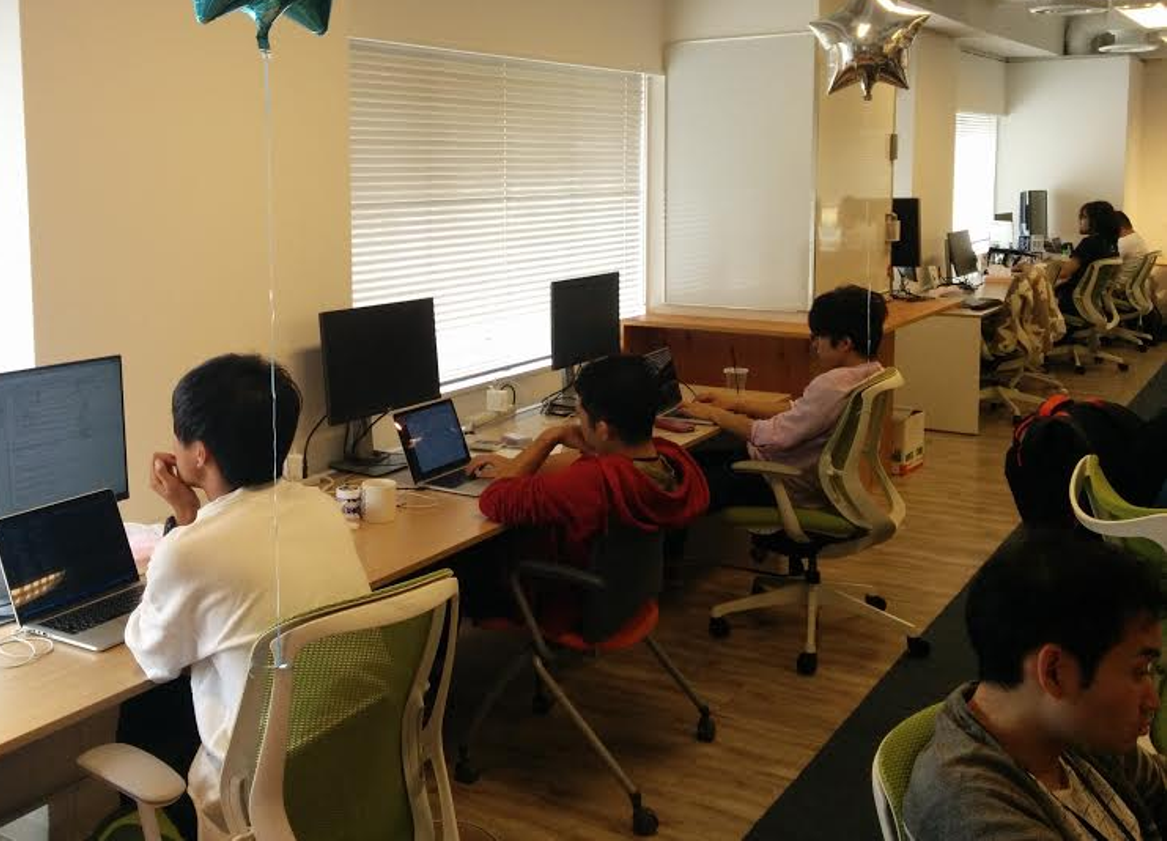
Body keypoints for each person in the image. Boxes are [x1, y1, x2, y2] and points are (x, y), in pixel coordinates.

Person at [122, 354, 370, 839]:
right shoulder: (321, 508)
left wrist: (179, 534)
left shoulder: (188, 551)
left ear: (199, 454)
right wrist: (189, 516)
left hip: (254, 789)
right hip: (343, 752)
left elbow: (153, 657)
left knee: (144, 715)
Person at [904, 531, 1167, 840]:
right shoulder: (972, 813)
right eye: (1139, 672)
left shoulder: (1071, 726)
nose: (1153, 701)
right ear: (1055, 673)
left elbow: (1159, 790)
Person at [466, 353, 709, 632]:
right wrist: (522, 462)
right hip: (626, 599)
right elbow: (588, 471)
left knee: (462, 565)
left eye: (580, 415)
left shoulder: (592, 483)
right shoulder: (670, 459)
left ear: (603, 429)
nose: (577, 423)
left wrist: (549, 437)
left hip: (570, 604)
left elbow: (495, 499)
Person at [681, 285, 885, 511]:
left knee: (681, 482)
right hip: (798, 476)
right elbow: (799, 412)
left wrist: (713, 414)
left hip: (778, 482)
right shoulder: (871, 373)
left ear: (845, 343)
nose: (814, 344)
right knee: (694, 460)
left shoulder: (832, 385)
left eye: (818, 336)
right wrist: (738, 404)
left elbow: (771, 436)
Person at [1057, 201, 1120, 318]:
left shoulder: (1089, 243)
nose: (1080, 221)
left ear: (1096, 220)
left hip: (1072, 302)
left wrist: (1039, 268)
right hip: (1092, 303)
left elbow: (1063, 273)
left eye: (1084, 217)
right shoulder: (1111, 243)